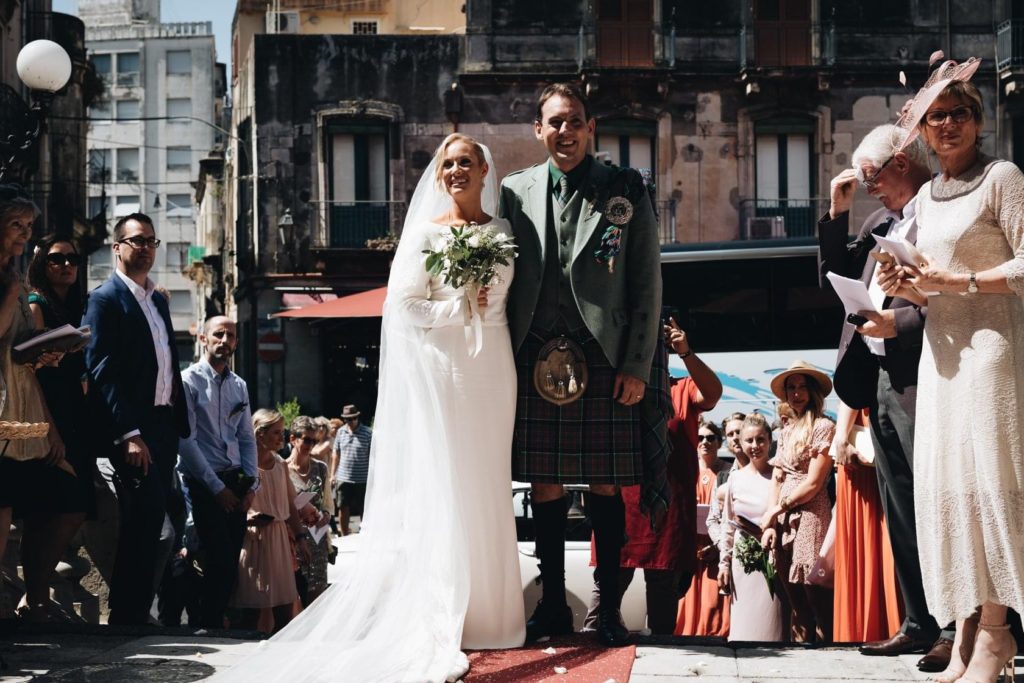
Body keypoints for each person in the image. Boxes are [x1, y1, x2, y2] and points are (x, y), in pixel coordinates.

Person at [211, 133, 524, 682]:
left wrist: (480, 304)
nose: (456, 171)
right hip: (446, 367)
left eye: (465, 162)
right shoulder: (426, 233)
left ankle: (493, 613)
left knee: (488, 480)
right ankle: (448, 609)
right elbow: (404, 306)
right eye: (448, 164)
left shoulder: (501, 231)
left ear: (484, 170)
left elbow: (506, 299)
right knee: (448, 482)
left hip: (494, 366)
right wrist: (458, 306)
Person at [501, 82, 665, 648]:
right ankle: (552, 606)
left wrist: (637, 365)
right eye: (554, 122)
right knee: (544, 485)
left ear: (590, 127)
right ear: (538, 130)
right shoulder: (514, 191)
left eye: (574, 121)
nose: (565, 131)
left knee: (605, 485)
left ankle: (608, 610)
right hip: (532, 353)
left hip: (604, 355)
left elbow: (646, 282)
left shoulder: (625, 187)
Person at [882, 58, 1024, 683]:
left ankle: (997, 630)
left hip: (992, 349)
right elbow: (929, 289)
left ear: (978, 119)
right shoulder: (925, 197)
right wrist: (906, 286)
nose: (946, 125)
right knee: (951, 490)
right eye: (936, 117)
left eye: (958, 113)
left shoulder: (1003, 177)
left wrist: (958, 281)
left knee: (990, 484)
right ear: (923, 131)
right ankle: (964, 628)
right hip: (941, 356)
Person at [818, 122, 954, 670]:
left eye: (872, 175)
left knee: (938, 502)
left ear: (902, 162)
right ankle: (918, 622)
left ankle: (954, 626)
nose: (868, 186)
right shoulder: (876, 221)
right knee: (901, 508)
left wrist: (897, 323)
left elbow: (954, 302)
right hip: (876, 377)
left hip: (927, 376)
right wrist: (836, 214)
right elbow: (832, 279)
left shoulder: (943, 214)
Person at [83, 212, 190, 625]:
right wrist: (128, 432)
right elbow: (102, 370)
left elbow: (166, 363)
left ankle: (135, 612)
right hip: (133, 432)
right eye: (136, 240)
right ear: (117, 247)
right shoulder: (105, 299)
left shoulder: (157, 300)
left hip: (164, 428)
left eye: (150, 241)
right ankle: (127, 616)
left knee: (159, 523)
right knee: (146, 524)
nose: (145, 248)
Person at [583, 319, 722, 635]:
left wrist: (686, 352)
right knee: (607, 587)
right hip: (619, 502)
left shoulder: (681, 388)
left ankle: (663, 656)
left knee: (663, 591)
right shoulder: (617, 384)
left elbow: (714, 394)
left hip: (667, 508)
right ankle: (592, 648)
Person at [0, 186, 67, 620]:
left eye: (29, 226)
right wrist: (11, 291)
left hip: (17, 402)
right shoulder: (11, 281)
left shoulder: (16, 276)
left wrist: (45, 351)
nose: (26, 234)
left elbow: (17, 343)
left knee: (5, 506)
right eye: (16, 225)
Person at [176, 315, 258, 629]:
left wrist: (251, 486)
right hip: (203, 481)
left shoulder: (239, 385)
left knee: (230, 558)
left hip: (235, 480)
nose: (225, 341)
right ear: (203, 339)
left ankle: (213, 622)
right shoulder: (188, 381)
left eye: (231, 336)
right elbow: (186, 441)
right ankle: (205, 623)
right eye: (219, 334)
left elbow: (246, 438)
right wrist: (216, 488)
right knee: (215, 555)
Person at [760, 360, 836, 643]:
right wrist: (770, 520)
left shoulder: (824, 426)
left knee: (815, 592)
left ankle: (829, 652)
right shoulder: (785, 430)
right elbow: (777, 478)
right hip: (783, 515)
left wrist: (777, 509)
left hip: (811, 512)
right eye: (791, 387)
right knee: (794, 598)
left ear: (813, 390)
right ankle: (799, 655)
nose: (796, 393)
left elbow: (814, 483)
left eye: (802, 386)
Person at [231, 409, 310, 633]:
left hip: (279, 541)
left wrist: (301, 538)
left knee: (285, 610)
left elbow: (291, 505)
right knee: (251, 610)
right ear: (259, 434)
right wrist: (248, 518)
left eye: (282, 432)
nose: (281, 437)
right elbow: (231, 503)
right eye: (276, 432)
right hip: (252, 541)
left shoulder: (280, 464)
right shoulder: (242, 465)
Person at [829, 402, 902, 644]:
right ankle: (884, 627)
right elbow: (848, 389)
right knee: (881, 537)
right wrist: (841, 437)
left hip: (871, 429)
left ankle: (882, 626)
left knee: (885, 538)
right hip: (862, 437)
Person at [718, 413, 785, 642]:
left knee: (775, 624)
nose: (755, 446)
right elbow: (727, 525)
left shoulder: (779, 476)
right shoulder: (735, 479)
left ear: (769, 440)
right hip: (742, 561)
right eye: (749, 440)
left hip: (775, 557)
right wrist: (724, 564)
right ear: (741, 442)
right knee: (744, 624)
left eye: (760, 439)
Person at [675, 419, 730, 636]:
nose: (705, 442)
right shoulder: (686, 471)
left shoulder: (728, 472)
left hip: (717, 547)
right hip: (689, 549)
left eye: (710, 438)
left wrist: (717, 546)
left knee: (712, 603)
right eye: (700, 438)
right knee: (686, 598)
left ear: (719, 442)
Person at [285, 415, 332, 606]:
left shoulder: (321, 468)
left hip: (318, 539)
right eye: (306, 440)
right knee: (295, 597)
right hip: (292, 541)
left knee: (318, 597)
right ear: (293, 439)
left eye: (314, 441)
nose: (311, 445)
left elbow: (328, 503)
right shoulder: (282, 469)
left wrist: (326, 516)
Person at [330, 404, 370, 536]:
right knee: (342, 507)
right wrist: (332, 474)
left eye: (353, 418)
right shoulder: (341, 432)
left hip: (362, 478)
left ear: (357, 417)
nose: (351, 421)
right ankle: (344, 535)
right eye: (347, 419)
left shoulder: (367, 433)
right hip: (343, 477)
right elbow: (336, 453)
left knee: (363, 508)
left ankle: (364, 534)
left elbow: (373, 456)